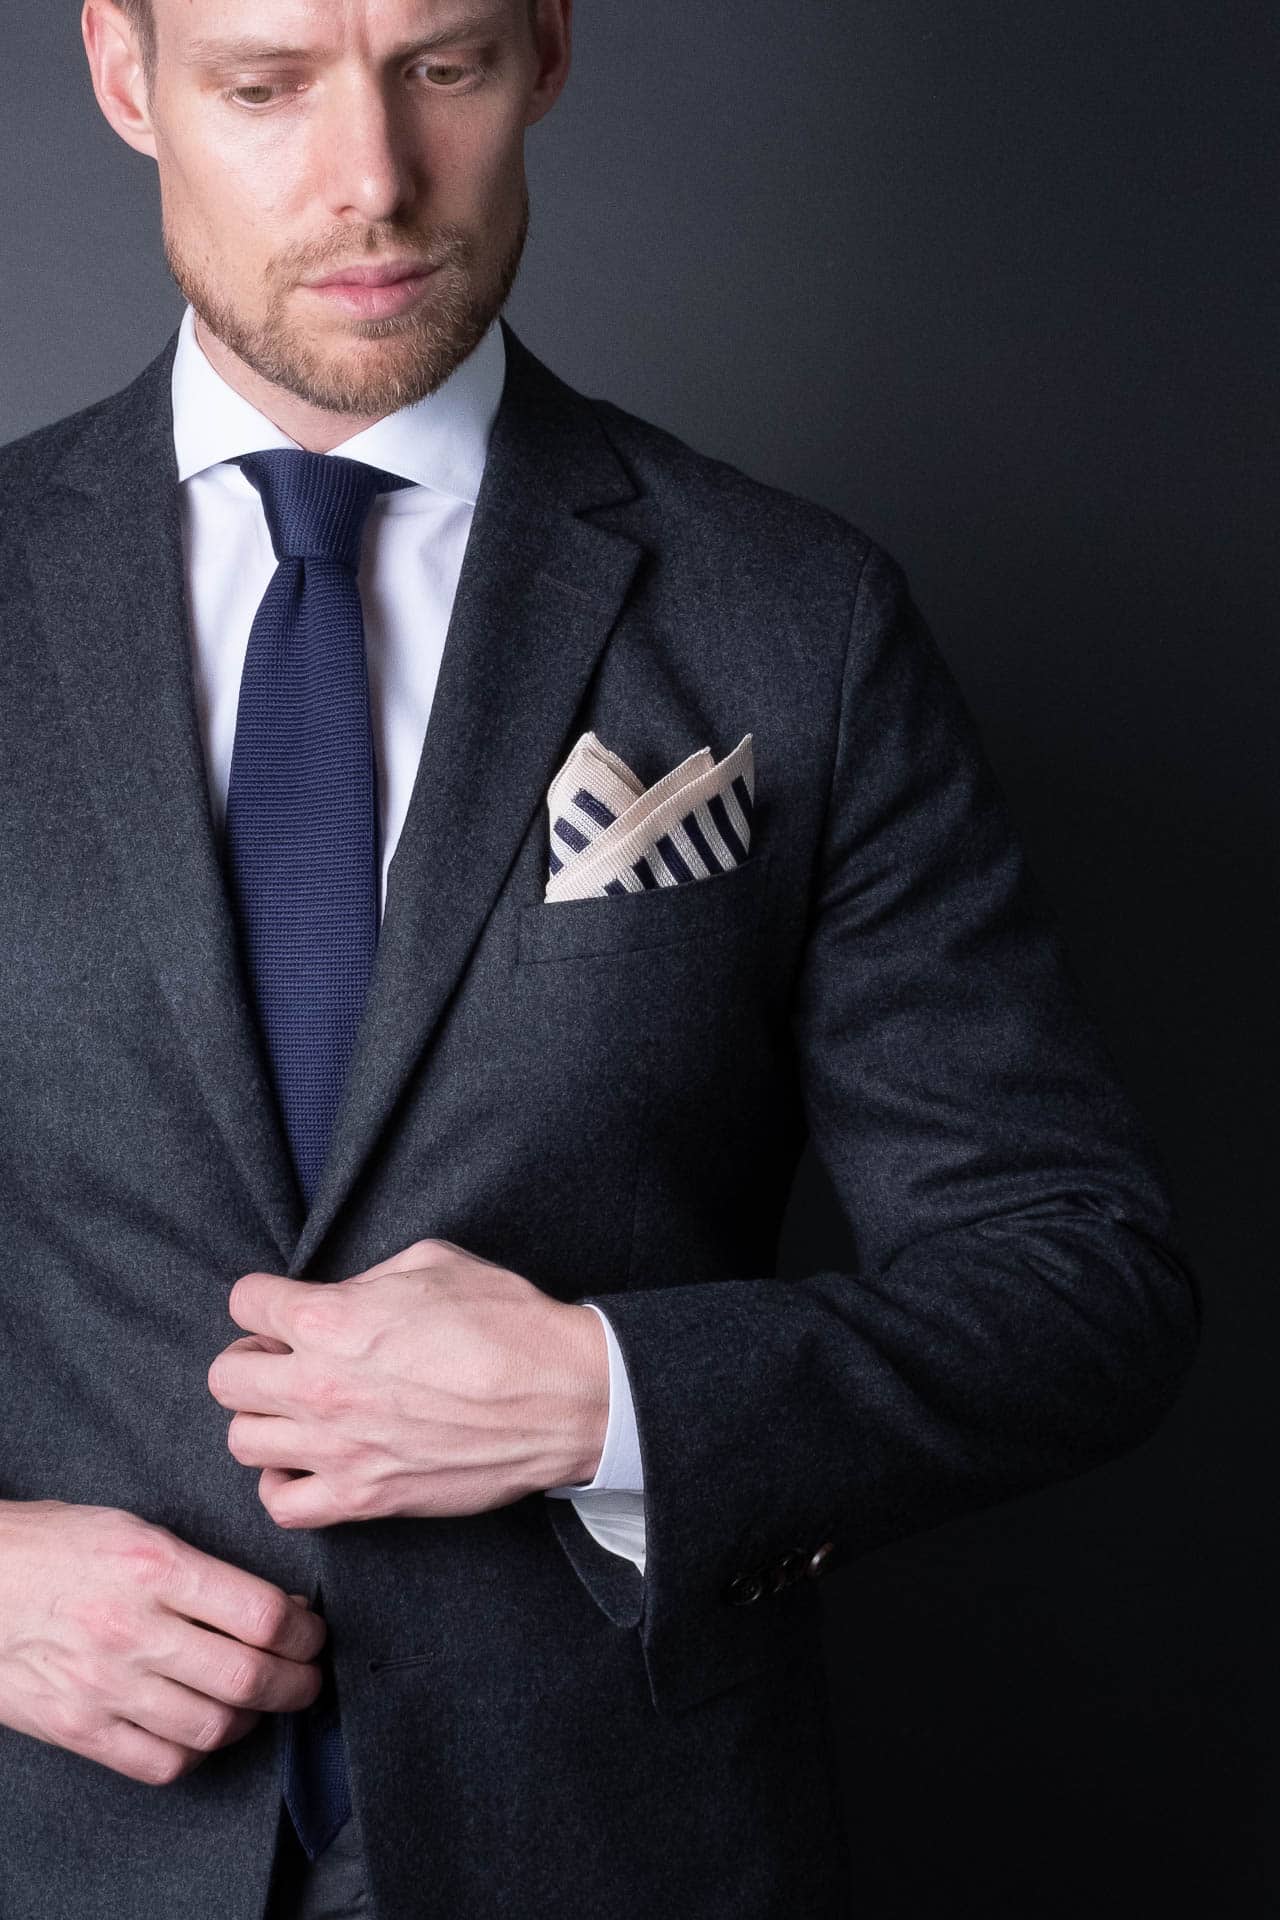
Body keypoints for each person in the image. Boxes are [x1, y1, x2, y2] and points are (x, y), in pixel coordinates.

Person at [0, 0, 1200, 1914]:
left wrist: (608, 1396)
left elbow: (1081, 1281)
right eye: (263, 85)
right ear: (123, 78)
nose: (374, 176)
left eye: (445, 67)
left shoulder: (795, 620)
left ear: (550, 51)